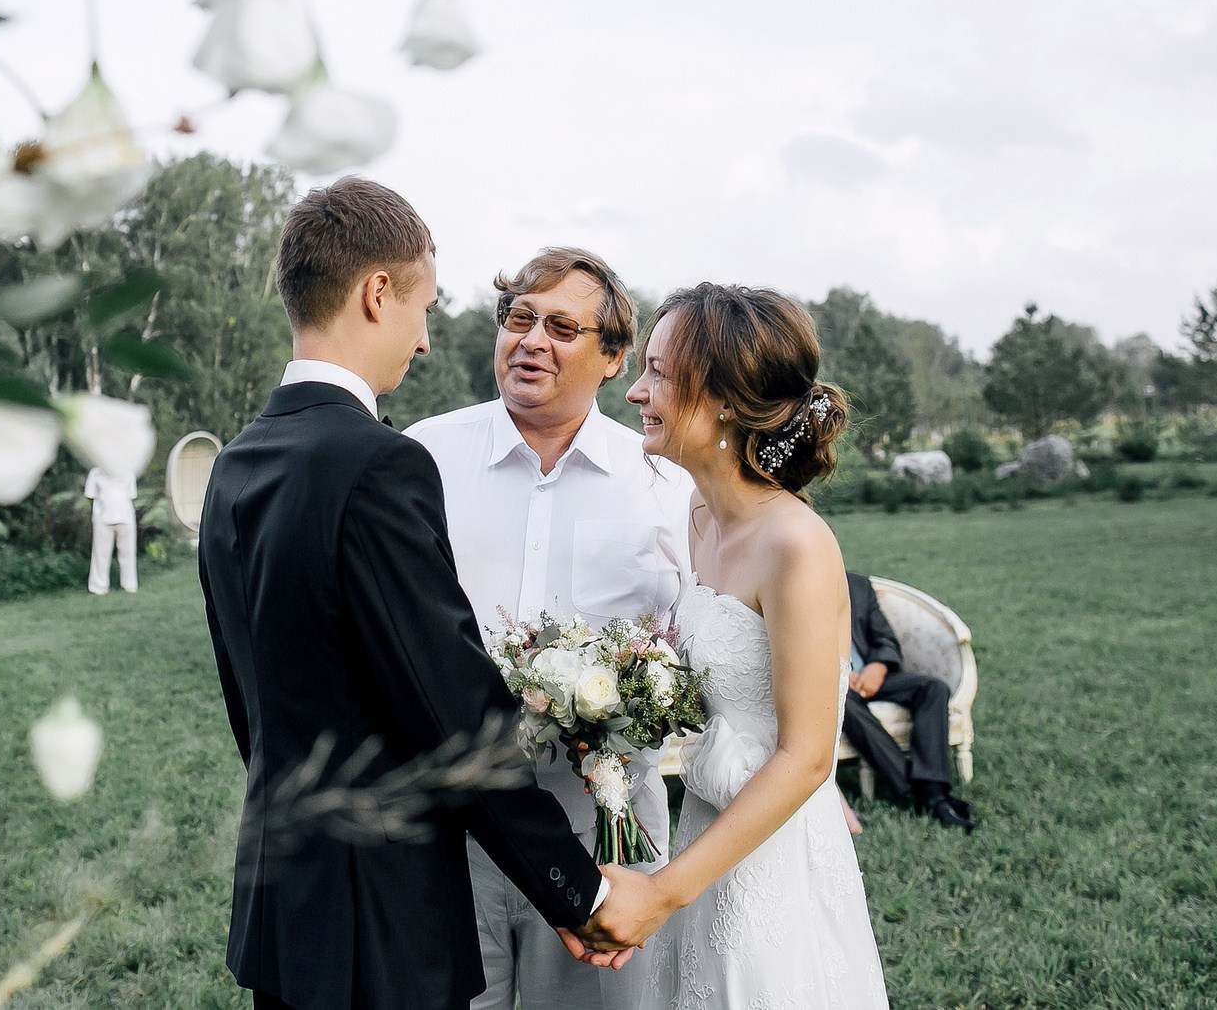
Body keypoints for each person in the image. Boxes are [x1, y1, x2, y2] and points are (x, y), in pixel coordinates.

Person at [197, 179, 645, 1010]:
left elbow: (247, 701)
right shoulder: (382, 463)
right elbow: (450, 711)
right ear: (376, 294)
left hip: (284, 905)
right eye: (424, 306)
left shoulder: (237, 463)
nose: (428, 338)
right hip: (383, 917)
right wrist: (576, 892)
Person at [405, 248, 694, 1010]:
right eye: (519, 317)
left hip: (606, 832)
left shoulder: (663, 479)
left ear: (612, 357)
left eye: (563, 326)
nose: (531, 339)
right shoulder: (423, 455)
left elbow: (700, 642)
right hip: (446, 827)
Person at [589, 283, 889, 1008]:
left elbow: (808, 755)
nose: (636, 392)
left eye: (659, 371)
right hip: (705, 822)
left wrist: (664, 891)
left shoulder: (797, 544)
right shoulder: (699, 515)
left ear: (724, 398)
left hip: (772, 853)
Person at [842, 570, 974, 831]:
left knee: (932, 688)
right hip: (831, 684)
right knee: (841, 703)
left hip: (871, 675)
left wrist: (878, 667)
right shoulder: (794, 586)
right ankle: (920, 791)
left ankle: (931, 787)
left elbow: (884, 637)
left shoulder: (857, 585)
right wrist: (837, 675)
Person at [83, 464, 139, 595]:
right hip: (102, 519)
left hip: (126, 518)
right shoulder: (95, 473)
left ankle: (129, 585)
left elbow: (131, 495)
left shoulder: (128, 472)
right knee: (100, 554)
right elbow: (90, 496)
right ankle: (98, 587)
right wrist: (100, 510)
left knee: (128, 553)